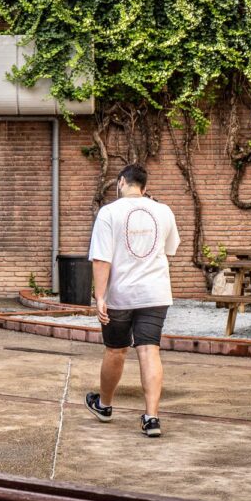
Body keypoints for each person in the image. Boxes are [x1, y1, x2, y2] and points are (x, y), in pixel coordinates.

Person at [85, 163, 180, 438]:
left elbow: (102, 258)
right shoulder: (164, 211)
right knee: (149, 350)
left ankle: (104, 406)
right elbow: (170, 249)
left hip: (121, 295)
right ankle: (151, 418)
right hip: (156, 293)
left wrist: (100, 297)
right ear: (145, 187)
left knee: (116, 350)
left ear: (121, 183)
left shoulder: (109, 213)